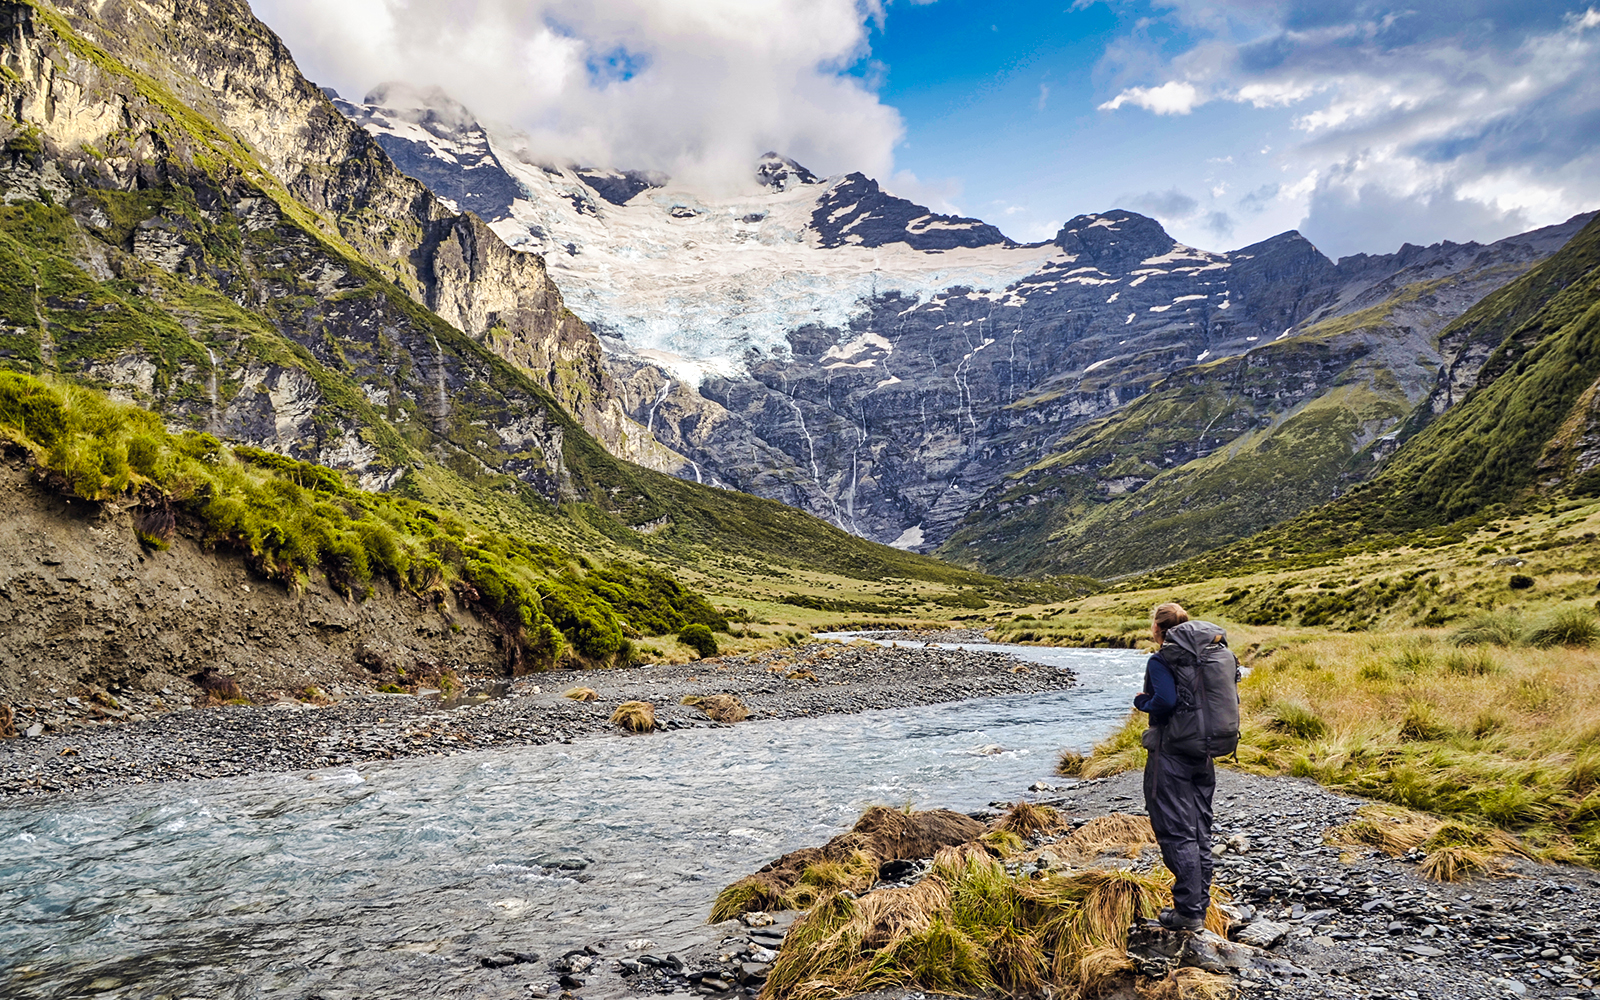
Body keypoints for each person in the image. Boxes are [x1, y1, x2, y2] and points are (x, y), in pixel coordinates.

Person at [1133, 601, 1240, 933]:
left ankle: (1188, 914)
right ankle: (1198, 906)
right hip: (1204, 753)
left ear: (1158, 629)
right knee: (1199, 828)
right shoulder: (1209, 656)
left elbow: (1164, 702)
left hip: (1171, 754)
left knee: (1176, 831)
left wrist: (1142, 703)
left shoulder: (1162, 659)